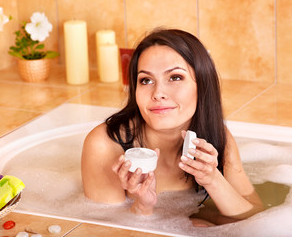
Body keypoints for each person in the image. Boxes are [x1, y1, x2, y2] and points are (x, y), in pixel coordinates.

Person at [81, 28, 264, 226]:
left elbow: (254, 216)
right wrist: (142, 208)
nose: (158, 93)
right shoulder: (105, 146)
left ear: (202, 85)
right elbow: (102, 231)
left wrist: (212, 179)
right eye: (146, 80)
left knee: (203, 225)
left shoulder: (215, 137)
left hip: (190, 221)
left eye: (175, 77)